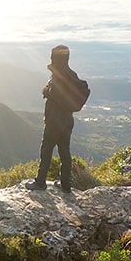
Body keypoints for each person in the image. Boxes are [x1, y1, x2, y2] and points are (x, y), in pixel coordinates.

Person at [26, 45, 89, 193]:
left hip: (54, 121)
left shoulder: (58, 76)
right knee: (64, 151)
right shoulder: (72, 74)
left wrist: (46, 91)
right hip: (67, 120)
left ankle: (40, 182)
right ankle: (65, 184)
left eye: (52, 57)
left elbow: (54, 95)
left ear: (55, 58)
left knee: (46, 150)